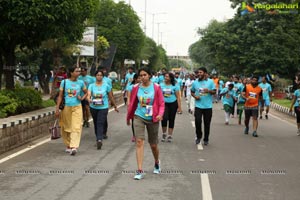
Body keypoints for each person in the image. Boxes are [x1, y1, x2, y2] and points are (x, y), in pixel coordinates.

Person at [126, 67, 165, 180]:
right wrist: (129, 117)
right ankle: (139, 170)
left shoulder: (156, 88)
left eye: (145, 75)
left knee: (153, 144)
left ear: (149, 76)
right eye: (141, 75)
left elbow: (162, 103)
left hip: (153, 118)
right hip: (139, 116)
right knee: (139, 142)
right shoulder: (136, 88)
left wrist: (160, 114)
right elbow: (133, 103)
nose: (142, 77)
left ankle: (157, 162)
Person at [55, 65, 87, 156]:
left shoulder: (81, 82)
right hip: (66, 107)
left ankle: (74, 146)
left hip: (77, 107)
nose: (79, 73)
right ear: (71, 72)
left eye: (79, 71)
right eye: (77, 71)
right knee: (66, 127)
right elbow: (60, 96)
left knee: (76, 126)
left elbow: (86, 92)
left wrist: (82, 98)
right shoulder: (64, 82)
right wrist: (57, 108)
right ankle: (68, 145)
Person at [87, 70, 119, 150]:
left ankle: (99, 139)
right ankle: (98, 137)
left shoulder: (106, 86)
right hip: (93, 107)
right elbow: (88, 94)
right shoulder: (91, 86)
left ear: (103, 77)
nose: (99, 76)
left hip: (103, 107)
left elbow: (111, 96)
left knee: (100, 122)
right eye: (97, 75)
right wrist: (89, 99)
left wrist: (115, 105)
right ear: (95, 76)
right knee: (95, 122)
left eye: (101, 75)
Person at [191, 67, 216, 145]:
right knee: (197, 121)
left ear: (205, 73)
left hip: (208, 107)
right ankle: (198, 136)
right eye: (198, 72)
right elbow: (192, 92)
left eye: (201, 72)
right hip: (198, 106)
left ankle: (206, 139)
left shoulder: (210, 82)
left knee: (207, 123)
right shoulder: (195, 82)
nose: (199, 74)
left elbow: (214, 92)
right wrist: (195, 96)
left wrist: (208, 90)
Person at [160, 72, 182, 142]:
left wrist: (179, 107)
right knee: (164, 118)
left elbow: (178, 97)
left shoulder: (175, 85)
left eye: (167, 77)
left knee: (171, 119)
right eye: (165, 76)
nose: (165, 78)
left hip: (173, 103)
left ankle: (170, 135)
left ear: (170, 78)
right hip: (164, 104)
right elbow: (158, 96)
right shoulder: (161, 85)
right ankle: (164, 133)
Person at [126, 74, 141, 142]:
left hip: (141, 106)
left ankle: (140, 134)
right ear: (135, 79)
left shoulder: (142, 87)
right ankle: (134, 135)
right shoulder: (131, 87)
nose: (140, 79)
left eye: (140, 78)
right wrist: (129, 104)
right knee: (134, 121)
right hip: (133, 106)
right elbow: (128, 96)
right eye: (138, 78)